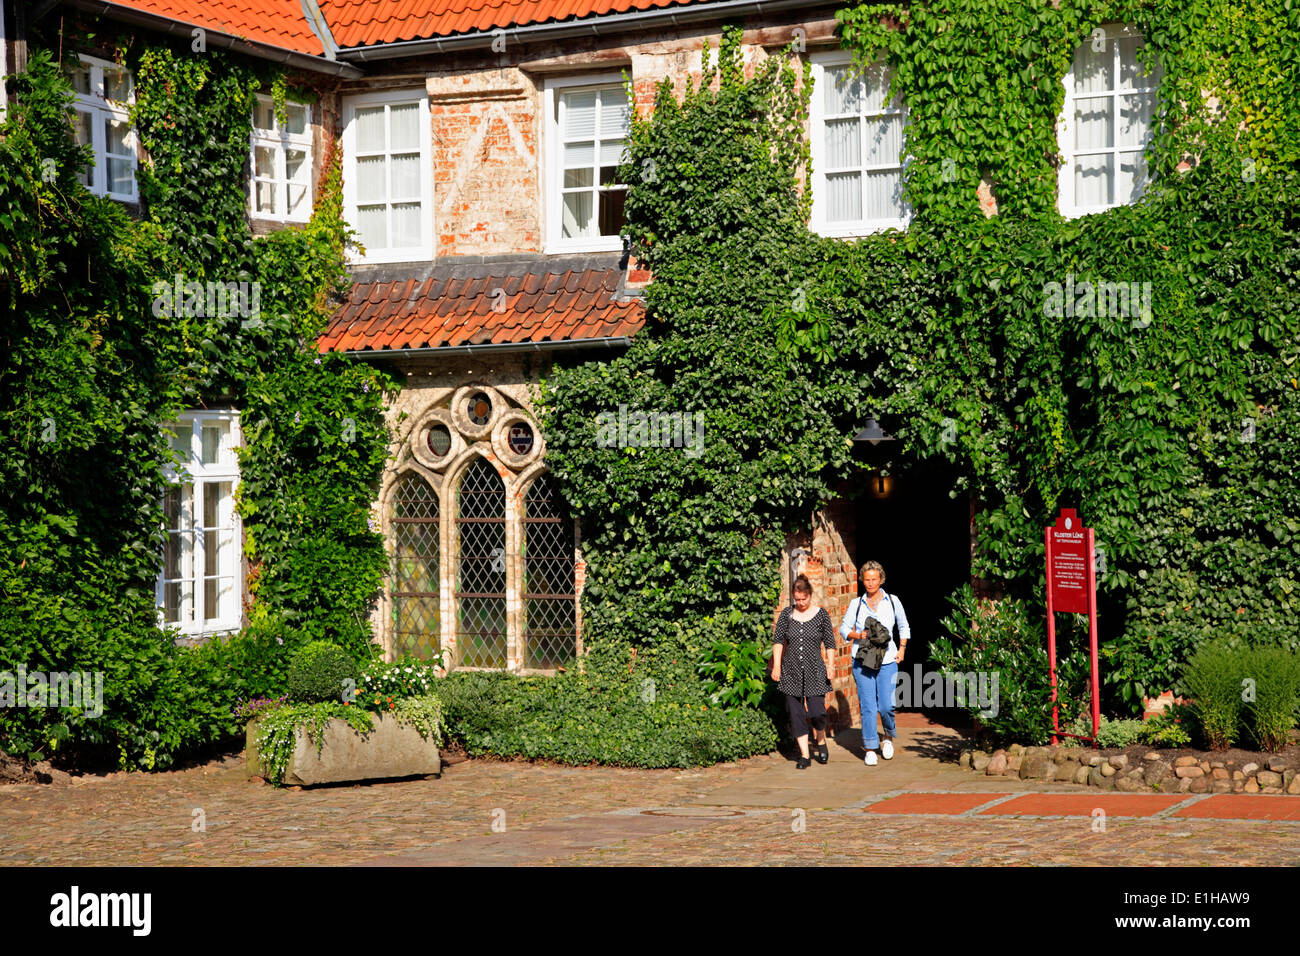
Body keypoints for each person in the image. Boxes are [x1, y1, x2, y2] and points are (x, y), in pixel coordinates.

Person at [840, 561, 911, 766]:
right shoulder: (856, 604)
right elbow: (844, 630)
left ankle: (888, 737)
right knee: (868, 706)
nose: (870, 583)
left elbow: (903, 625)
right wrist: (858, 634)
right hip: (862, 660)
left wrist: (902, 649)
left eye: (874, 579)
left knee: (887, 705)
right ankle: (870, 747)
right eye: (867, 579)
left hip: (888, 659)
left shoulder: (893, 601)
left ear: (881, 579)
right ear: (862, 580)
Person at [771, 574, 837, 769]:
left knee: (817, 713)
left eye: (803, 599)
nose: (800, 603)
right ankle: (805, 755)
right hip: (791, 671)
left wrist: (831, 665)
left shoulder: (821, 615)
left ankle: (820, 740)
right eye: (797, 599)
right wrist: (776, 666)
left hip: (815, 670)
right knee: (796, 714)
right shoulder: (786, 615)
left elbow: (830, 643)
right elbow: (778, 641)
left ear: (810, 595)